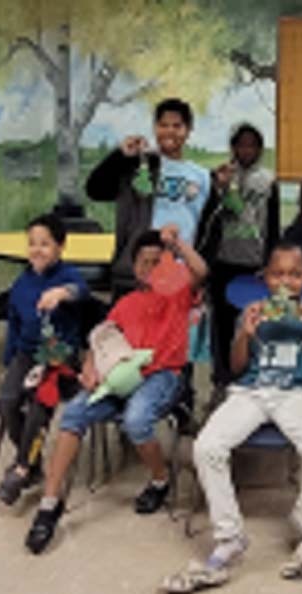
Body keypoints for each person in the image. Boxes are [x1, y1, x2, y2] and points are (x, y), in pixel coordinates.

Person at [164, 242, 302, 593]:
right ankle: (229, 535)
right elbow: (236, 368)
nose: (285, 282)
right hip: (250, 392)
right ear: (265, 278)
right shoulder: (252, 311)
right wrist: (245, 335)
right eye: (278, 274)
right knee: (206, 446)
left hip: (296, 394)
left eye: (294, 274)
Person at [24, 226, 208, 554]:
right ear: (134, 266)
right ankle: (49, 505)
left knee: (137, 419)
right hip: (120, 376)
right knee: (75, 411)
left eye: (158, 262)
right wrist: (92, 365)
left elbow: (200, 271)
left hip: (162, 375)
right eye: (144, 262)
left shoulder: (178, 293)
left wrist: (176, 245)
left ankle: (159, 480)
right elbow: (104, 335)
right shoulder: (126, 302)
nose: (150, 268)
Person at [0, 214, 89, 505]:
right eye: (32, 243)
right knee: (6, 403)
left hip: (58, 358)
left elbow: (81, 291)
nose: (37, 250)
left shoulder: (68, 276)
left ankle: (23, 466)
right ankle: (33, 465)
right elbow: (14, 326)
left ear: (61, 247)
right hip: (26, 354)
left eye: (45, 244)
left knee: (39, 408)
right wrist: (8, 363)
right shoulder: (21, 283)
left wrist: (62, 293)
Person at [85, 97, 211, 299]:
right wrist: (120, 155)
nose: (169, 131)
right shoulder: (138, 165)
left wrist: (199, 275)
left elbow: (207, 227)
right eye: (163, 125)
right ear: (155, 128)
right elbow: (95, 190)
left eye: (177, 126)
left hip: (180, 272)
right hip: (136, 272)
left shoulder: (202, 175)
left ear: (188, 130)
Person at [198, 122, 279, 405]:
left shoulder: (269, 180)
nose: (246, 150)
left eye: (252, 145)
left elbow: (274, 224)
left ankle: (251, 381)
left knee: (253, 324)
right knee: (220, 325)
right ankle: (221, 382)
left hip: (253, 265)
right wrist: (218, 187)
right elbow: (206, 218)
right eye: (241, 144)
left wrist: (270, 262)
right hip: (223, 263)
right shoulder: (220, 176)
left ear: (259, 149)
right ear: (233, 147)